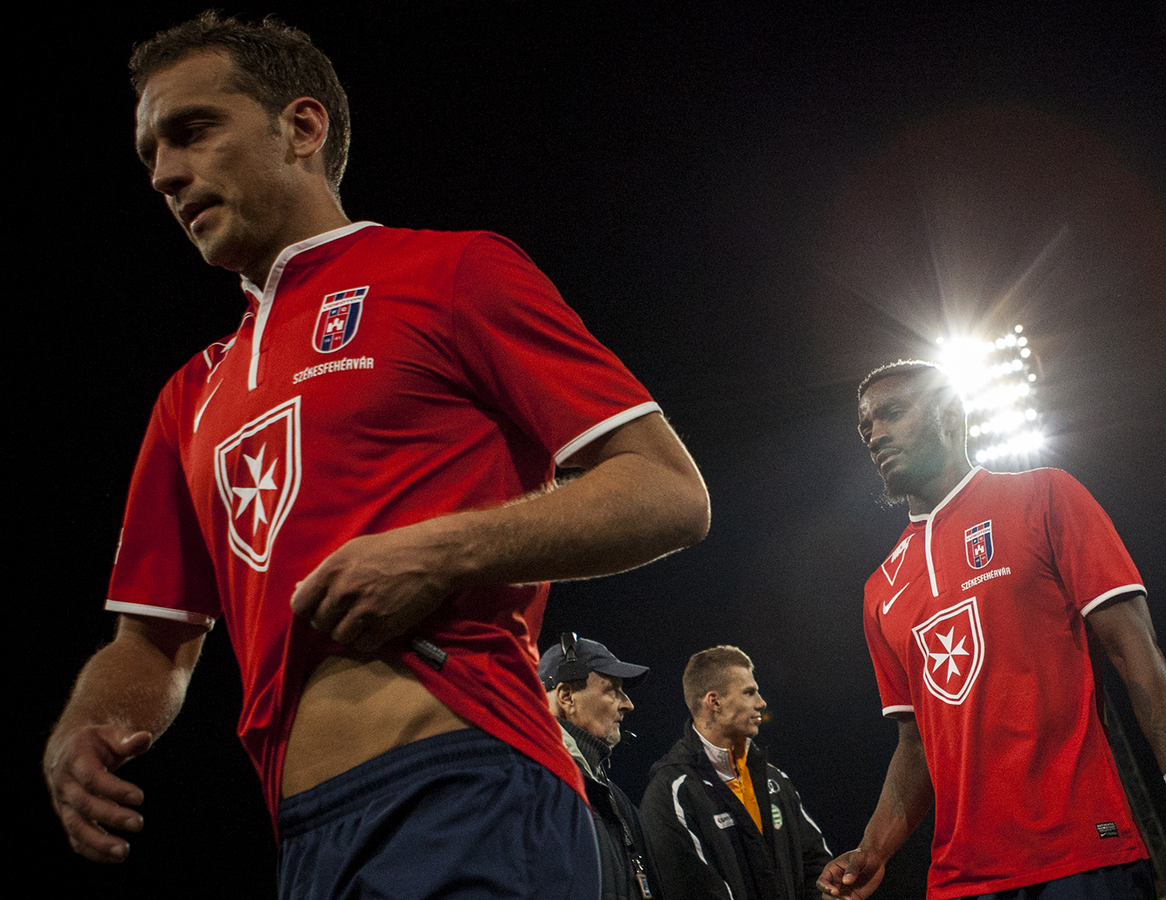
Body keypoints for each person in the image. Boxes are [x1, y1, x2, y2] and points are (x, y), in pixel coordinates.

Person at [40, 12, 710, 898]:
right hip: (306, 840)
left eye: (192, 130)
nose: (164, 173)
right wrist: (86, 723)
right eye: (150, 153)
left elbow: (666, 490)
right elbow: (152, 642)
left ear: (301, 127)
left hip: (471, 787)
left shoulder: (451, 273)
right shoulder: (187, 396)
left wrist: (440, 550)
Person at [821, 360, 1166, 900]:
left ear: (950, 414)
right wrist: (873, 848)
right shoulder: (880, 589)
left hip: (1081, 854)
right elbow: (916, 746)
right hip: (960, 879)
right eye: (866, 428)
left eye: (893, 414)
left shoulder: (1045, 495)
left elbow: (1136, 654)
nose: (876, 434)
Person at [641, 645, 832, 900]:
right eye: (749, 692)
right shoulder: (672, 792)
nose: (761, 703)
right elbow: (692, 890)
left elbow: (817, 867)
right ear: (715, 702)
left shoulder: (774, 779)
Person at [541, 633, 662, 900]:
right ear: (567, 696)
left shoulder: (611, 795)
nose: (628, 704)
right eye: (612, 690)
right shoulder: (538, 785)